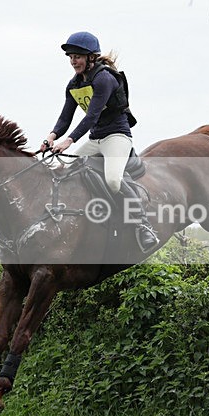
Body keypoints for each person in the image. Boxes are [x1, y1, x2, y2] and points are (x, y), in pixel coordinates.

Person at [41, 31, 159, 253]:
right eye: (71, 57)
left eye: (78, 56)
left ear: (91, 57)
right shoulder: (74, 84)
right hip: (96, 139)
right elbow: (65, 117)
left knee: (113, 181)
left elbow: (91, 116)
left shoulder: (104, 78)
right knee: (65, 171)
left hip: (116, 137)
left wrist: (69, 141)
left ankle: (143, 225)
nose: (73, 61)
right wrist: (51, 137)